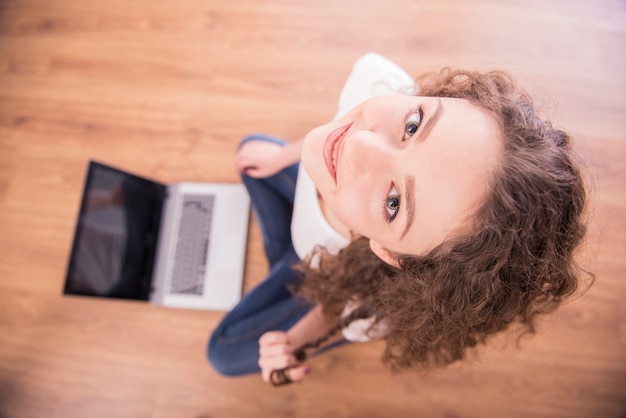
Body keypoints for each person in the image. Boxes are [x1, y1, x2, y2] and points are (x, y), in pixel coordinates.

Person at [207, 53, 590, 386]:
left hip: (337, 275)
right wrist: (287, 156)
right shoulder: (379, 81)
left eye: (393, 202)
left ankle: (296, 275)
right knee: (252, 153)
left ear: (390, 254)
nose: (359, 144)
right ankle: (291, 272)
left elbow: (335, 312)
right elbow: (334, 129)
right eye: (413, 126)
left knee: (221, 355)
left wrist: (291, 345)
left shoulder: (371, 300)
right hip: (316, 238)